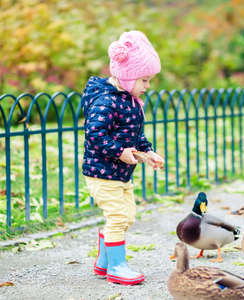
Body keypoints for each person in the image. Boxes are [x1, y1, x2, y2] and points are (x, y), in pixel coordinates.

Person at [81, 30, 164, 285]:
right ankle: (116, 266)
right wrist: (119, 152)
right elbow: (94, 134)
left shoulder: (130, 101)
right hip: (102, 173)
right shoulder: (106, 101)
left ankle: (104, 260)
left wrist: (147, 152)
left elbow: (135, 135)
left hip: (120, 174)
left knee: (127, 216)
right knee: (118, 217)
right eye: (144, 80)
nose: (147, 86)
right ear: (127, 77)